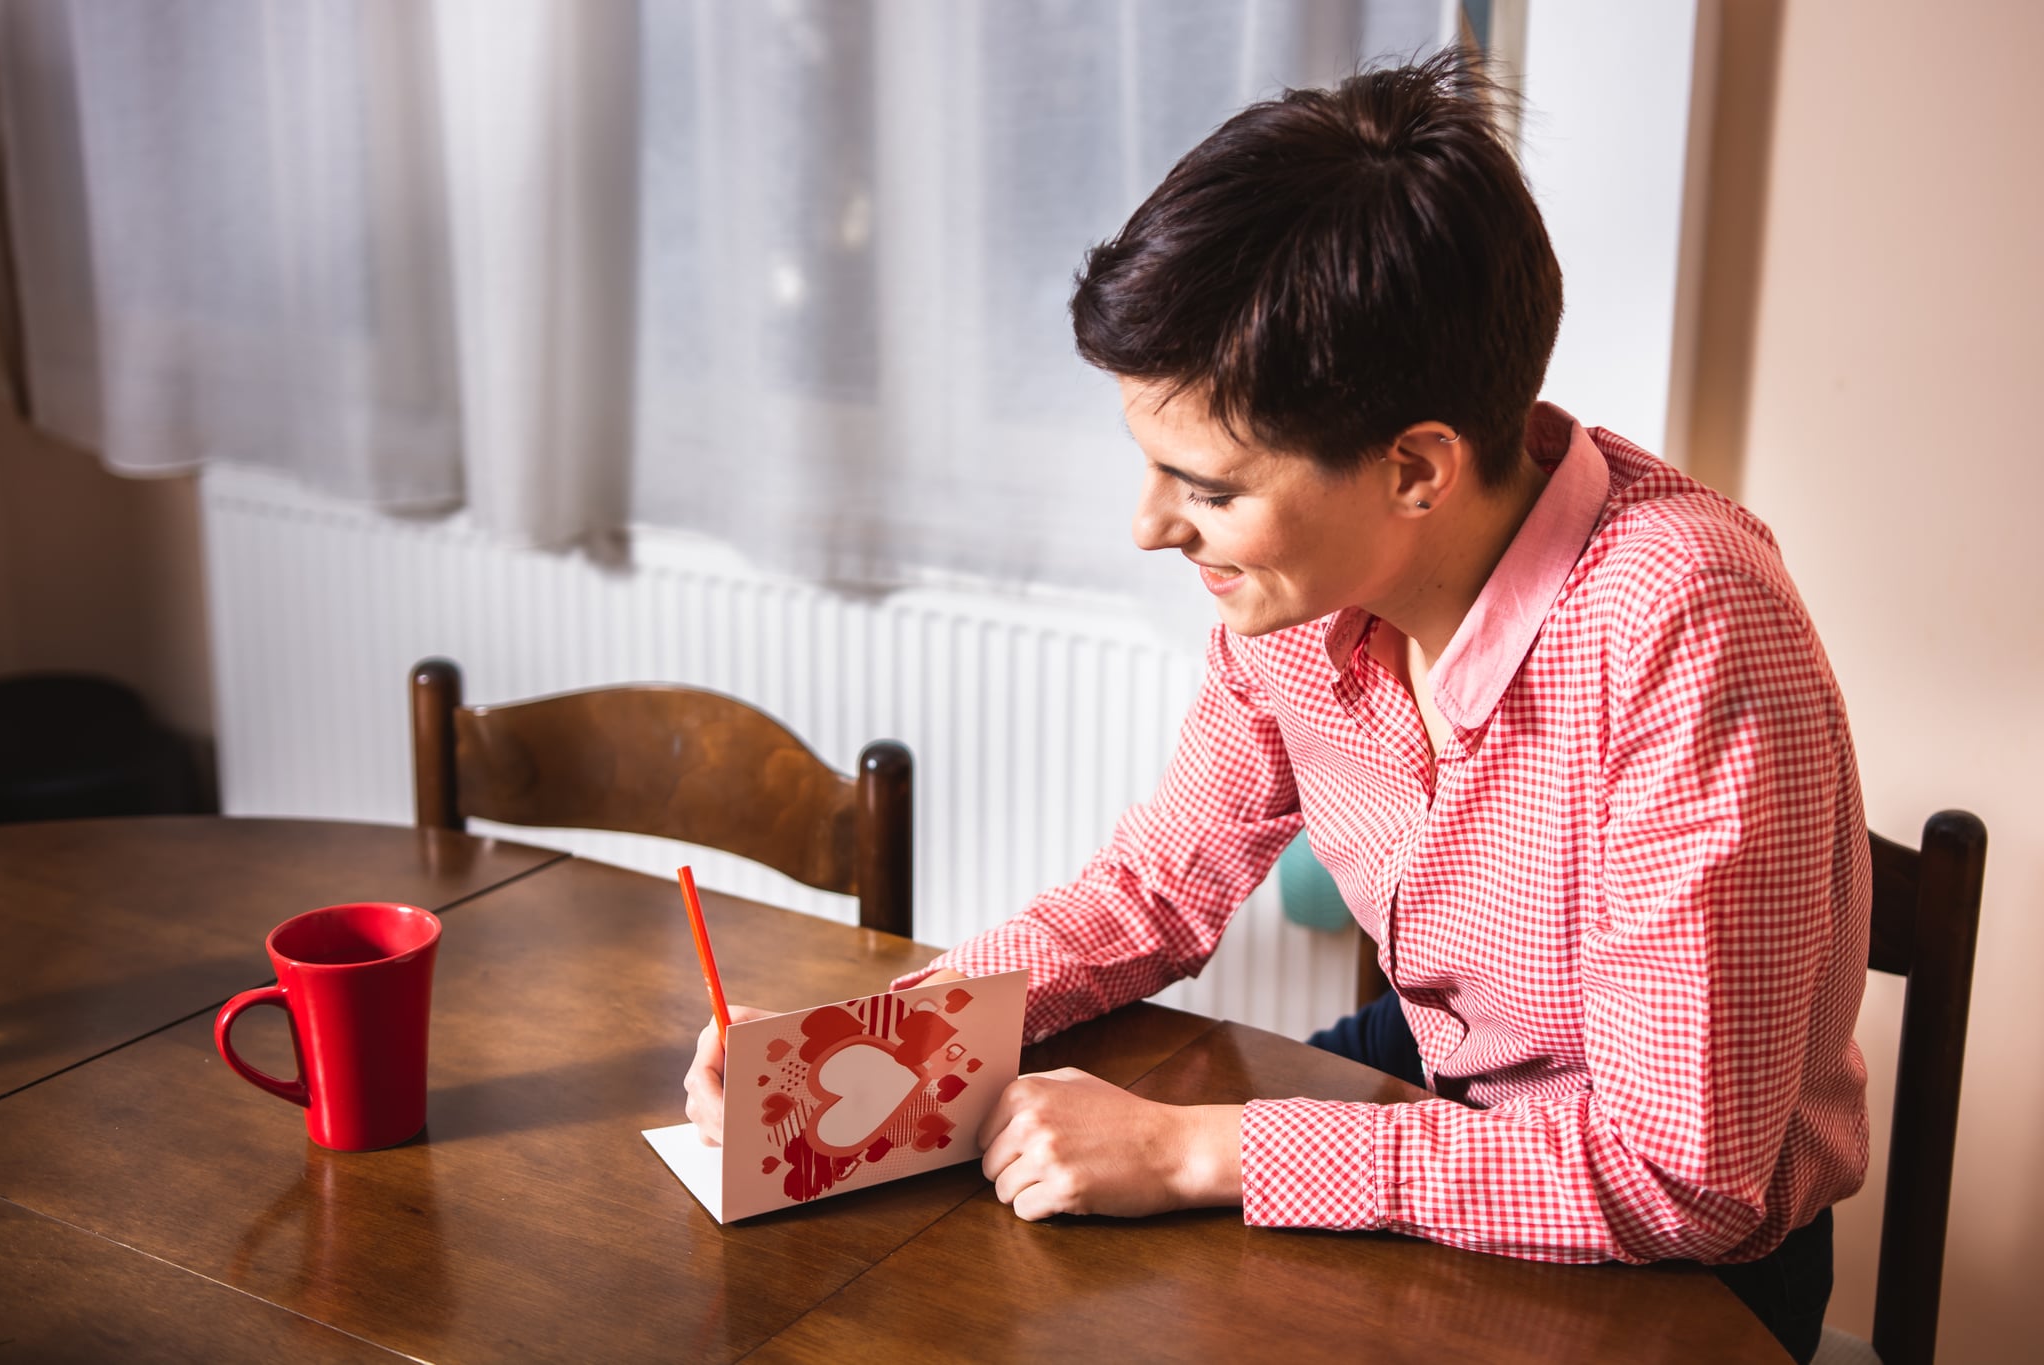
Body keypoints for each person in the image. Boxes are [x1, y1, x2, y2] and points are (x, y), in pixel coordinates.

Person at [684, 49, 1867, 1365]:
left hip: (1685, 1262)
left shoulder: (1689, 627)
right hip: (1434, 1073)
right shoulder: (1299, 600)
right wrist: (870, 1046)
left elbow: (1686, 1180)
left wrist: (1202, 1148)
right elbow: (1151, 893)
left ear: (1417, 467)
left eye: (1209, 486)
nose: (1147, 526)